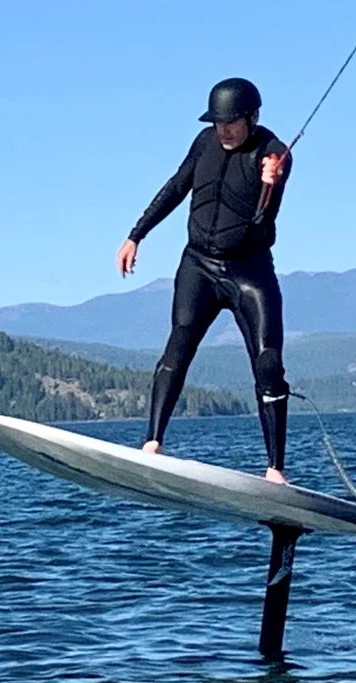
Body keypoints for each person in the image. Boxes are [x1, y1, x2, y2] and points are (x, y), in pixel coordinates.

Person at [116, 77, 293, 484]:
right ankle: (152, 443)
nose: (224, 130)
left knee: (268, 363)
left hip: (248, 270)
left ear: (252, 117)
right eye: (218, 122)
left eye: (232, 122)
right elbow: (176, 187)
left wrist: (272, 181)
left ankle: (274, 470)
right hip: (198, 265)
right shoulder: (203, 143)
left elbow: (268, 211)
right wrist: (135, 235)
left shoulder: (273, 152)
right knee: (177, 347)